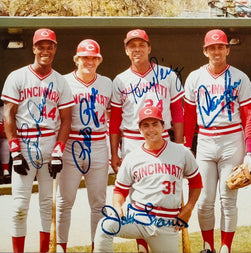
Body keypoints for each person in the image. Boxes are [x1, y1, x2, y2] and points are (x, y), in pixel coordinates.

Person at [109, 29, 184, 252]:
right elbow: (115, 120)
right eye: (132, 45)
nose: (137, 49)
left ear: (149, 48)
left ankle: (164, 243)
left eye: (141, 44)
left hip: (163, 139)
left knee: (164, 195)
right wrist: (115, 152)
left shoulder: (168, 75)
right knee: (137, 200)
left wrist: (179, 147)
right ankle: (143, 247)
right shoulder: (120, 80)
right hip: (132, 141)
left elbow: (177, 113)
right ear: (126, 50)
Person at [184, 29, 251, 253]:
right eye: (212, 47)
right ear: (205, 51)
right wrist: (187, 148)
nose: (216, 51)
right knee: (205, 199)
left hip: (232, 138)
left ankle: (226, 247)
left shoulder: (239, 77)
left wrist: (250, 151)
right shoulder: (195, 77)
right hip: (205, 139)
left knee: (228, 198)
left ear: (227, 49)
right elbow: (188, 116)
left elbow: (248, 116)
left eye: (220, 46)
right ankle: (208, 247)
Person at [0, 28, 74, 253]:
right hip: (24, 143)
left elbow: (66, 120)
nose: (45, 50)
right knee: (19, 207)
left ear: (55, 48)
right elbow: (8, 115)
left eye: (49, 46)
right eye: (40, 46)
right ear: (33, 48)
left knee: (46, 206)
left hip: (49, 144)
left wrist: (58, 152)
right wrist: (14, 152)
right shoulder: (17, 76)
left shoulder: (60, 81)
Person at [93, 105, 202, 253]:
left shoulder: (181, 152)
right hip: (138, 220)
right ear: (140, 129)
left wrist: (188, 208)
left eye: (155, 124)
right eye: (145, 125)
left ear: (163, 126)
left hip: (167, 223)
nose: (151, 130)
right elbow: (120, 189)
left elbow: (196, 181)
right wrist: (118, 206)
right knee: (105, 226)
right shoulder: (132, 157)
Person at [55, 39, 113, 252]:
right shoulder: (63, 81)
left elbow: (110, 115)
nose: (89, 61)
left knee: (98, 203)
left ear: (99, 60)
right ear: (76, 59)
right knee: (64, 202)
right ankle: (61, 247)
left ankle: (96, 246)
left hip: (98, 143)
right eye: (85, 57)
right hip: (71, 142)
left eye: (94, 58)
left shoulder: (107, 83)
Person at [0, 101, 11, 183]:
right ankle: (5, 170)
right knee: (5, 144)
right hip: (5, 136)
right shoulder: (1, 110)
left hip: (20, 136)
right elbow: (0, 131)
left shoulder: (22, 109)